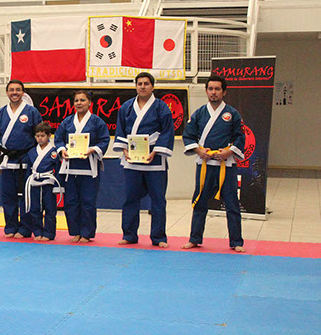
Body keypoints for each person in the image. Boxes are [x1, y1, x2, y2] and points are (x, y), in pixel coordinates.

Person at [182, 75, 246, 253]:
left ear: (224, 92)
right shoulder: (199, 113)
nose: (213, 92)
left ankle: (236, 241)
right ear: (206, 91)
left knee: (232, 203)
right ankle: (194, 238)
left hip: (226, 165)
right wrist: (198, 150)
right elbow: (189, 135)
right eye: (210, 89)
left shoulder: (232, 114)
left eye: (217, 89)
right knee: (199, 201)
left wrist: (229, 152)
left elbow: (240, 137)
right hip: (204, 164)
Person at [114, 72, 174, 248]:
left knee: (158, 200)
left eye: (146, 83)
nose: (142, 87)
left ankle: (159, 237)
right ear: (135, 86)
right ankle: (129, 234)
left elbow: (167, 131)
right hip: (132, 160)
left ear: (152, 87)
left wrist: (156, 151)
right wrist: (124, 149)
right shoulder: (126, 107)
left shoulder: (161, 107)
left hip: (154, 160)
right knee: (130, 199)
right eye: (139, 83)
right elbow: (120, 130)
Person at [0, 79, 42, 239]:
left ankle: (25, 228)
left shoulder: (32, 112)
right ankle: (10, 227)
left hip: (25, 159)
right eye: (11, 90)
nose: (14, 93)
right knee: (8, 196)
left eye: (18, 90)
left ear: (23, 93)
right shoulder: (0, 113)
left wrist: (35, 158)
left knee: (26, 196)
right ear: (7, 92)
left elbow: (40, 135)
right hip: (7, 160)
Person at [54, 90, 110, 243]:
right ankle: (75, 232)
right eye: (76, 100)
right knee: (71, 201)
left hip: (89, 168)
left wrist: (92, 150)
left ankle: (86, 233)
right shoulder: (67, 122)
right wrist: (62, 150)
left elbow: (104, 140)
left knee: (87, 201)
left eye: (82, 100)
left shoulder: (97, 122)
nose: (79, 103)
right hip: (70, 167)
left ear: (90, 103)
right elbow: (58, 139)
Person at [22, 122, 62, 242]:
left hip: (48, 183)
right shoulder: (31, 152)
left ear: (49, 136)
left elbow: (58, 169)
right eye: (37, 136)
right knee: (35, 209)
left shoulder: (54, 152)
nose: (40, 138)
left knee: (50, 209)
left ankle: (49, 233)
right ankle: (37, 232)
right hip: (34, 183)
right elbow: (28, 169)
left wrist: (57, 186)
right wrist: (27, 184)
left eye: (42, 136)